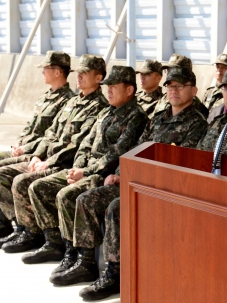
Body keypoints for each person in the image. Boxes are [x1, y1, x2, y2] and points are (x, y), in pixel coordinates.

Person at [62, 66, 208, 300]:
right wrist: (121, 172)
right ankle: (86, 261)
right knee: (86, 198)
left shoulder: (197, 123)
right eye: (170, 86)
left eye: (180, 86)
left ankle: (115, 273)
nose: (174, 91)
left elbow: (182, 164)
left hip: (164, 187)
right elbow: (137, 149)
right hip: (136, 180)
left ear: (194, 90)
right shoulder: (159, 118)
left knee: (116, 208)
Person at [19, 66, 147, 284]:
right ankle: (64, 249)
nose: (109, 91)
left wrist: (85, 172)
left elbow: (117, 152)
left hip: (103, 174)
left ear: (129, 90)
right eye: (108, 86)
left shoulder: (136, 117)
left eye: (114, 87)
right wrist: (76, 168)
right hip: (84, 170)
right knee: (40, 187)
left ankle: (85, 261)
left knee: (69, 196)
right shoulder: (106, 112)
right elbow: (87, 143)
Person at [0, 55, 108, 250]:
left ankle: (44, 238)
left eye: (85, 73)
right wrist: (37, 155)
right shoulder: (73, 102)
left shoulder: (99, 106)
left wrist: (48, 162)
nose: (80, 76)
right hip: (47, 157)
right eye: (79, 72)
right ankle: (24, 229)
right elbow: (51, 133)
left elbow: (77, 144)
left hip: (63, 163)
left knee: (24, 182)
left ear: (98, 77)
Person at [0, 51, 75, 237]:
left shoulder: (67, 101)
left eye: (46, 69)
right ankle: (5, 220)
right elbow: (31, 127)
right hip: (26, 149)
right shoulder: (46, 97)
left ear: (57, 72)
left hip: (38, 152)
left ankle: (19, 224)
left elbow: (50, 136)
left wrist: (27, 149)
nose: (42, 72)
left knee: (3, 173)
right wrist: (19, 142)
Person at [152, 54, 208, 118]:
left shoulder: (195, 105)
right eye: (168, 70)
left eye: (174, 70)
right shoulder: (164, 98)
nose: (169, 74)